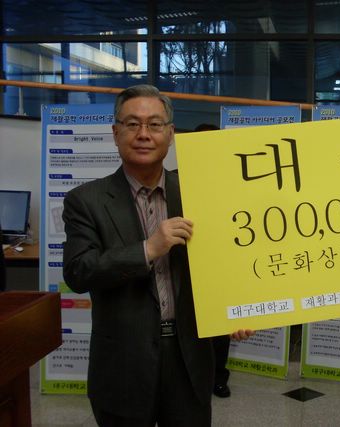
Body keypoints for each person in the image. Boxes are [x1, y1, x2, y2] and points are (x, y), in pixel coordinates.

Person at [62, 84, 252, 426]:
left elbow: (223, 263)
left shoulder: (200, 192)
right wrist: (148, 249)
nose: (143, 134)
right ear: (116, 133)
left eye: (154, 124)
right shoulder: (86, 200)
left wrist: (233, 310)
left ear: (171, 133)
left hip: (189, 357)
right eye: (132, 124)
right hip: (123, 362)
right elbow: (78, 272)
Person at [190, 122, 232, 399]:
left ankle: (218, 377)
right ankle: (190, 378)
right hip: (186, 264)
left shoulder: (231, 180)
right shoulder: (175, 179)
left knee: (220, 327)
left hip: (222, 263)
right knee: (189, 327)